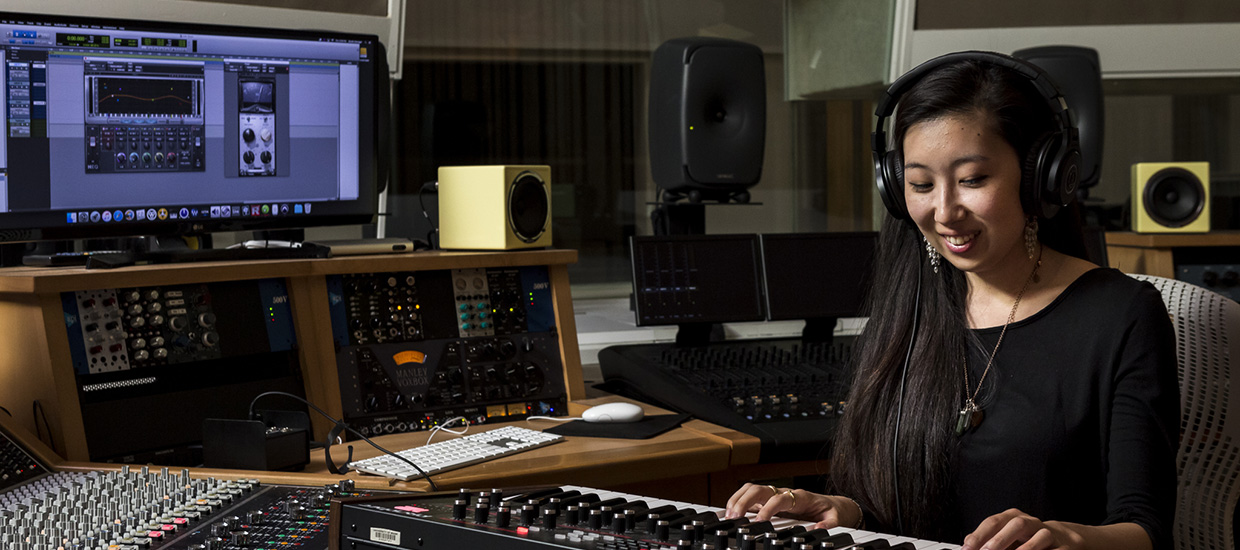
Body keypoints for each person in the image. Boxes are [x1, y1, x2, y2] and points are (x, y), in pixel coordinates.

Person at [724, 52, 1179, 550]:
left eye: (972, 180)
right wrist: (846, 510)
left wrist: (1067, 536)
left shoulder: (1121, 313)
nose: (944, 211)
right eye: (920, 184)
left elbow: (1145, 528)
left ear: (1039, 178)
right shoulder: (913, 306)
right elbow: (911, 507)